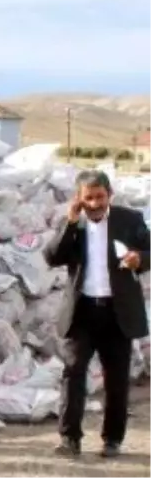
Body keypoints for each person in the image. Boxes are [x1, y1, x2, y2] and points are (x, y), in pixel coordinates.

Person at [45, 169, 151, 459]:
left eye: (99, 197)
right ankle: (70, 439)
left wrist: (139, 258)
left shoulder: (129, 220)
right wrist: (69, 222)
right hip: (82, 313)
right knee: (73, 373)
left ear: (109, 195)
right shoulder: (73, 224)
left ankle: (113, 439)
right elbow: (51, 257)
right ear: (79, 200)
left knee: (116, 379)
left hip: (118, 313)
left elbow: (150, 249)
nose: (94, 204)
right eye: (88, 198)